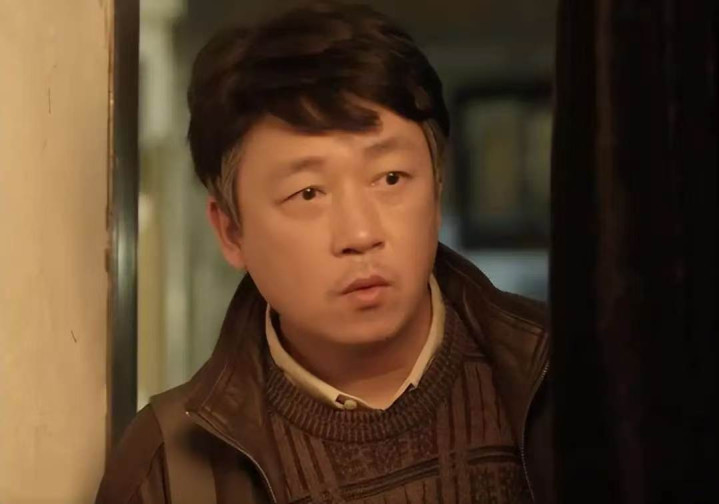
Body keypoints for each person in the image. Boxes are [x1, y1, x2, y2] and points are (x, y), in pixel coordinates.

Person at [95, 2, 553, 503]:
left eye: (391, 178)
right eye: (309, 193)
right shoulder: (168, 467)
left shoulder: (561, 376)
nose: (360, 233)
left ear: (437, 189)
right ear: (231, 231)